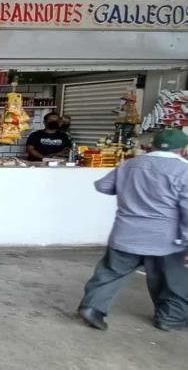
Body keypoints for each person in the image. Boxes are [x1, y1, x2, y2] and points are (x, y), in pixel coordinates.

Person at [78, 129, 188, 332]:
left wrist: (129, 188)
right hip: (166, 239)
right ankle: (170, 319)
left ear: (152, 145)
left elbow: (103, 186)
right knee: (173, 280)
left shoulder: (130, 164)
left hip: (126, 233)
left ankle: (92, 308)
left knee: (110, 273)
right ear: (183, 150)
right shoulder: (184, 170)